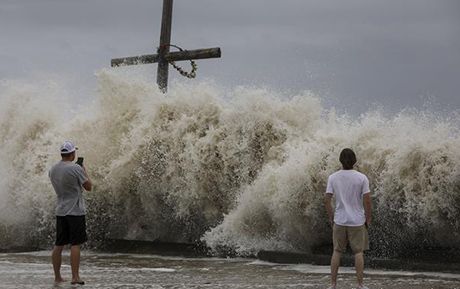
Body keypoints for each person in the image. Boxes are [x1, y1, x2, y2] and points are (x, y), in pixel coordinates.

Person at [324, 148, 372, 289]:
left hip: (340, 220)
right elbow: (367, 201)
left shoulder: (333, 177)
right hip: (357, 220)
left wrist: (331, 216)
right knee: (358, 252)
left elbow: (326, 200)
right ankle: (360, 285)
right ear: (354, 161)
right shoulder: (362, 178)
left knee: (337, 251)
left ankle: (333, 285)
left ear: (340, 160)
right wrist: (368, 218)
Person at [49, 141, 92, 285]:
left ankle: (57, 277)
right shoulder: (75, 168)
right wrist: (83, 169)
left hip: (60, 211)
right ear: (72, 154)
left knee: (59, 244)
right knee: (75, 244)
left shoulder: (53, 169)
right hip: (75, 211)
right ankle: (75, 277)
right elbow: (88, 187)